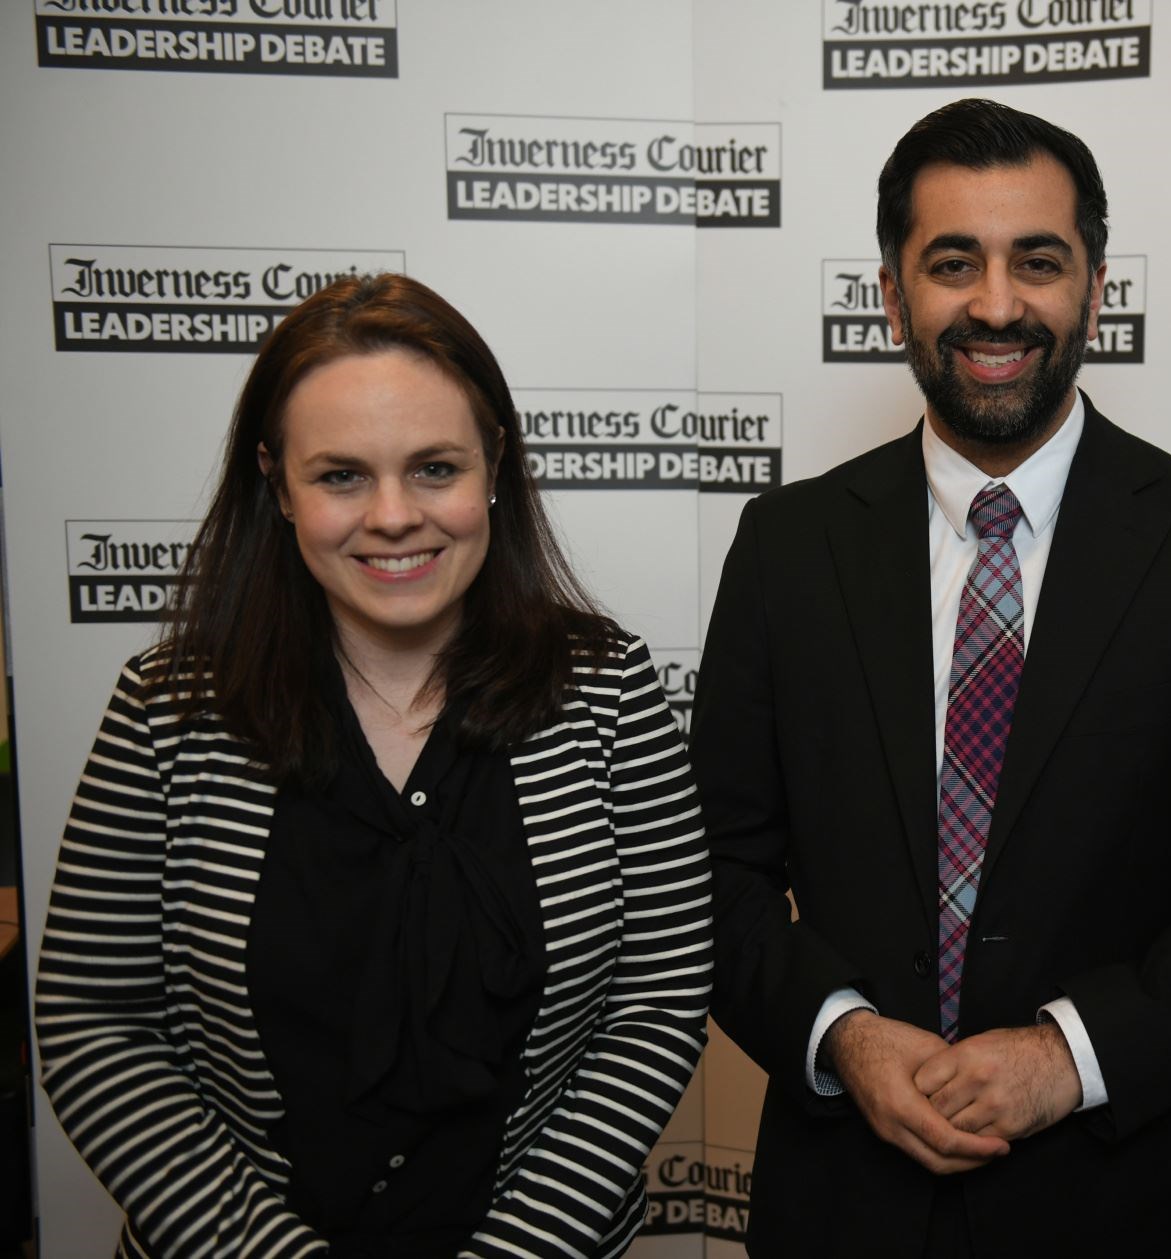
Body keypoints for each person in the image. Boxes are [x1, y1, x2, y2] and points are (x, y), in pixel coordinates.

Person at [693, 98, 1171, 1258]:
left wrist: (1069, 1054)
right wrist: (841, 1034)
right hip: (840, 1205)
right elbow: (712, 869)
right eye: (950, 263)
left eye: (1037, 260)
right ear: (891, 295)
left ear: (1092, 286)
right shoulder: (786, 547)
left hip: (1117, 1199)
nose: (994, 304)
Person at [35, 274, 711, 1258]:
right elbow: (96, 1022)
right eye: (341, 475)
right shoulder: (166, 707)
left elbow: (655, 1001)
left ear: (494, 467)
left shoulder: (609, 692)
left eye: (434, 467)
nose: (393, 515)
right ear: (276, 483)